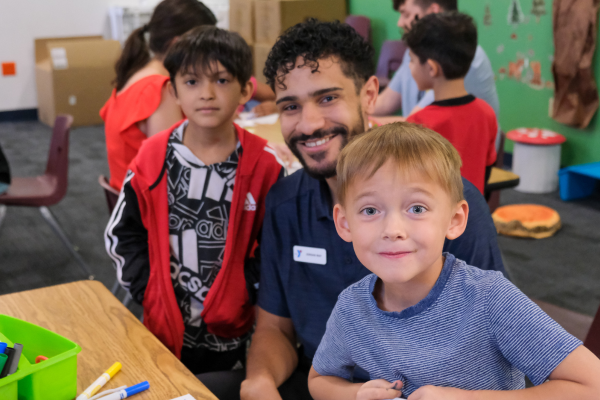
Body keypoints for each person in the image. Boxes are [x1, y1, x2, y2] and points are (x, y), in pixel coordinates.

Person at [231, 19, 505, 400]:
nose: (309, 124)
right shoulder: (285, 205)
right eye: (291, 106)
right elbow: (276, 329)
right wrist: (259, 381)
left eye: (328, 98)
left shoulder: (450, 207)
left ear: (369, 94)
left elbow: (493, 344)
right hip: (326, 388)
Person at [308, 123, 600, 400]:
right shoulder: (352, 308)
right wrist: (356, 394)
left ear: (455, 220)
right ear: (344, 224)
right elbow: (319, 380)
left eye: (417, 208)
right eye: (370, 210)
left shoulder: (489, 299)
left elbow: (592, 386)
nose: (392, 230)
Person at [104, 26, 285, 375]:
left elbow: (275, 246)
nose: (206, 94)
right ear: (173, 91)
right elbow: (122, 235)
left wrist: (244, 290)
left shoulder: (264, 165)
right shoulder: (152, 158)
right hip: (164, 328)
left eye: (220, 80)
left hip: (232, 334)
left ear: (245, 89)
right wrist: (150, 290)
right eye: (191, 82)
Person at [100, 0, 218, 191]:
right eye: (207, 45)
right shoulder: (160, 89)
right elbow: (175, 169)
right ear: (177, 44)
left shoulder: (135, 77)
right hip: (147, 207)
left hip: (129, 197)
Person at [373, 0, 500, 149]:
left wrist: (365, 122)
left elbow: (416, 127)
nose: (400, 23)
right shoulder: (416, 52)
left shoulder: (461, 56)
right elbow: (385, 102)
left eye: (405, 14)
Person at [405, 12, 497, 194]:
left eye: (412, 60)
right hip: (472, 215)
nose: (410, 66)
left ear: (431, 68)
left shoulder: (417, 124)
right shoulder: (486, 113)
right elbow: (487, 172)